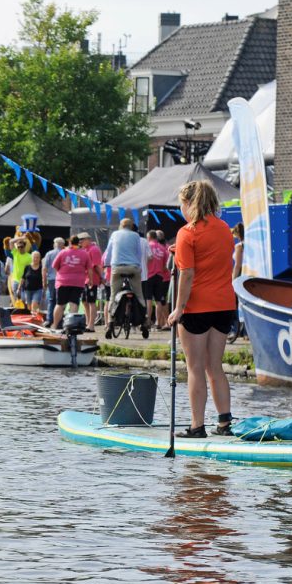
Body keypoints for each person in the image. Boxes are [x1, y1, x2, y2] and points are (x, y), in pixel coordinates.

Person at [167, 180, 236, 438]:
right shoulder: (225, 229)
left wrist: (178, 309)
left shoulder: (187, 232)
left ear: (189, 204)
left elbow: (187, 273)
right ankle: (224, 423)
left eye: (181, 205)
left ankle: (197, 426)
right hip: (224, 305)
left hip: (196, 307)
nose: (181, 210)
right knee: (214, 366)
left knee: (194, 367)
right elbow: (212, 257)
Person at [103, 218, 150, 332]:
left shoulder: (114, 234)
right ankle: (144, 321)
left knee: (113, 296)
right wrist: (137, 265)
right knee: (139, 295)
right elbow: (138, 253)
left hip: (117, 267)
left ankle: (110, 323)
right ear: (131, 226)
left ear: (121, 225)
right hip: (133, 267)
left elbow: (109, 252)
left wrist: (107, 264)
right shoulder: (135, 236)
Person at [51, 236, 89, 330]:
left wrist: (61, 272)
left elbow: (54, 266)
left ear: (69, 242)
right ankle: (71, 326)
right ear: (78, 243)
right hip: (78, 282)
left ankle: (55, 325)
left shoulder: (63, 252)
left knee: (60, 304)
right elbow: (89, 269)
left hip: (63, 281)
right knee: (74, 303)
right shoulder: (84, 253)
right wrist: (90, 280)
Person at [78, 232, 105, 329]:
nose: (80, 242)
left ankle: (91, 325)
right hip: (84, 279)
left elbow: (97, 265)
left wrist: (102, 277)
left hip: (92, 279)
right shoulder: (84, 249)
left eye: (82, 240)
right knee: (85, 301)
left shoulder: (94, 250)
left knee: (91, 302)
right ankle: (87, 322)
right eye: (79, 240)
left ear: (88, 240)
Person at [145, 231, 169, 330]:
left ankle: (147, 322)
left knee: (148, 299)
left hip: (149, 275)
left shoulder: (147, 246)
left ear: (149, 237)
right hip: (159, 276)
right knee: (158, 300)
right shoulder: (163, 248)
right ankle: (158, 323)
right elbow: (166, 265)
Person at [42, 237, 65, 325]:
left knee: (52, 300)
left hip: (51, 279)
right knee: (61, 301)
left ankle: (49, 319)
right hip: (62, 280)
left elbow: (44, 268)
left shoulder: (49, 254)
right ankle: (59, 320)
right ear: (62, 245)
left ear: (55, 244)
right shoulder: (64, 253)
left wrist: (44, 281)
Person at [7, 237, 33, 304]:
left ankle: (24, 312)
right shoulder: (16, 253)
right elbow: (10, 242)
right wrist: (21, 238)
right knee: (17, 300)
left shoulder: (29, 256)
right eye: (18, 247)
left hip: (25, 281)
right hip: (15, 280)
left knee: (24, 299)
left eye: (21, 247)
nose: (20, 248)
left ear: (24, 246)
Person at [20, 251, 45, 315]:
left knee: (34, 304)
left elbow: (44, 279)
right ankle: (31, 318)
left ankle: (34, 317)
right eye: (34, 257)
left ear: (40, 259)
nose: (36, 259)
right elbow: (23, 278)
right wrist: (19, 288)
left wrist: (44, 290)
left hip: (38, 289)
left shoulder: (42, 268)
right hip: (27, 290)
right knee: (29, 307)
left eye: (37, 257)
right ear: (32, 258)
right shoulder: (27, 267)